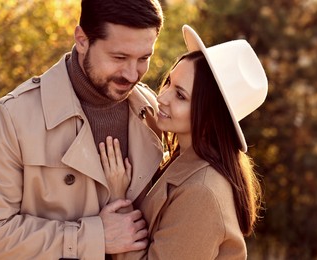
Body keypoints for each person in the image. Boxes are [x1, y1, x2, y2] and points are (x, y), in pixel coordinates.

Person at [0, 0, 164, 259]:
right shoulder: (14, 117)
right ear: (82, 40)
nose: (132, 74)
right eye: (119, 57)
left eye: (144, 58)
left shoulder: (154, 113)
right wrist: (92, 238)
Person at [99, 24, 268, 259]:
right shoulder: (183, 161)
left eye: (180, 95)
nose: (162, 97)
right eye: (168, 82)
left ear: (209, 117)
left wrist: (120, 198)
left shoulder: (202, 193)